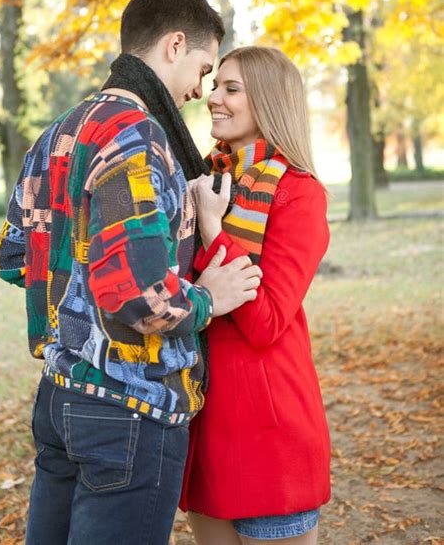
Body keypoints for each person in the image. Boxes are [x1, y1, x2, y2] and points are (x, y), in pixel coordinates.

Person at [0, 0, 263, 545]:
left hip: (59, 398)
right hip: (130, 408)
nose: (200, 89)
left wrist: (84, 290)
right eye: (203, 68)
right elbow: (140, 298)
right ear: (174, 44)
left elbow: (16, 256)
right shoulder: (136, 138)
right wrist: (209, 295)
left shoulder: (59, 132)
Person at [180, 46, 331, 544]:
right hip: (205, 420)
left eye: (231, 88)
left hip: (267, 430)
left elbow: (265, 322)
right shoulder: (205, 181)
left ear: (267, 100)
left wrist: (210, 228)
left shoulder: (298, 193)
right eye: (214, 85)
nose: (211, 98)